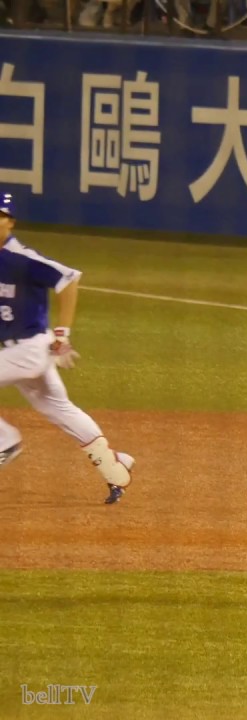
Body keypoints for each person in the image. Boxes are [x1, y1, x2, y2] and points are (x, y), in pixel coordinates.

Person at [0, 194, 135, 503]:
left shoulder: (21, 258)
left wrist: (63, 333)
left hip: (29, 350)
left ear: (11, 222)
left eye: (0, 216)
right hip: (19, 351)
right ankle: (115, 468)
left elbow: (69, 278)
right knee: (58, 407)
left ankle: (5, 441)